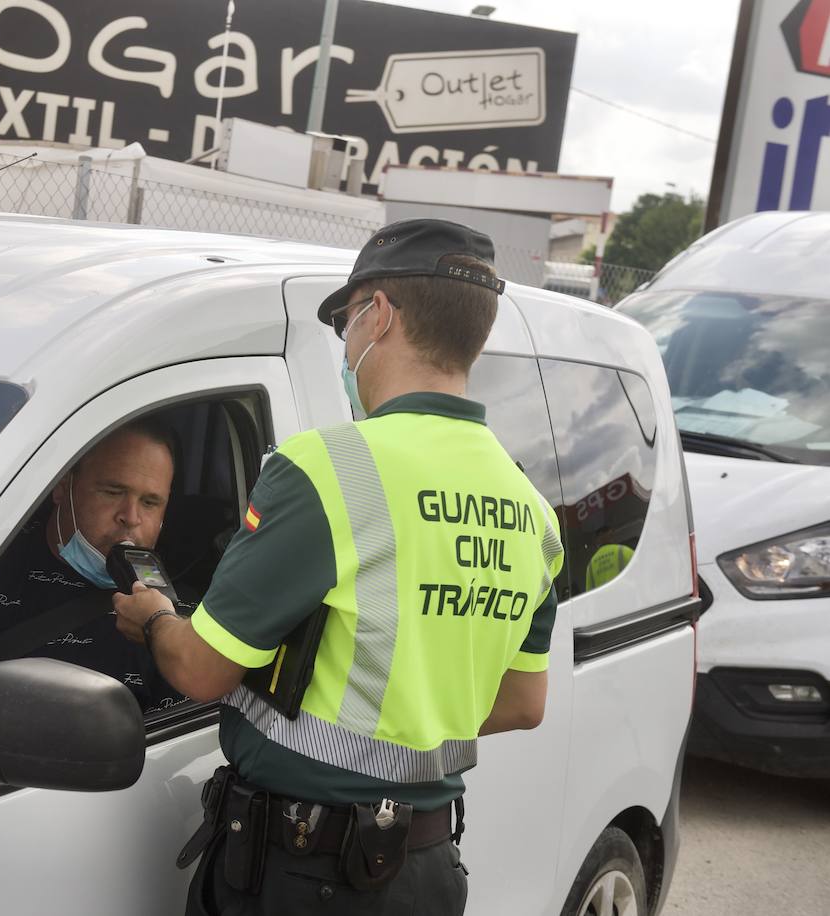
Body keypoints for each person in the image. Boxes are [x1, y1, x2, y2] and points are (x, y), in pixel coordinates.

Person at [114, 219, 566, 915]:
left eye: (346, 325)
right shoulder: (530, 509)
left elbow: (202, 670)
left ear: (378, 314)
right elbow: (521, 703)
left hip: (304, 875)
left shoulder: (330, 468)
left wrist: (154, 621)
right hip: (428, 872)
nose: (347, 345)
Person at [0, 418, 194, 714]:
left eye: (150, 502)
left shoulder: (181, 625)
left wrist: (162, 630)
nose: (131, 516)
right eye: (113, 492)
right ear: (63, 486)